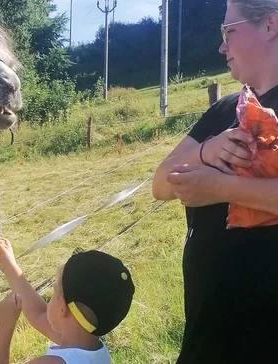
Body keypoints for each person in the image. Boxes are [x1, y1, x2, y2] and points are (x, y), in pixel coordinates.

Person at [151, 1, 278, 362]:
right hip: (207, 336)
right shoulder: (224, 110)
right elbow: (160, 184)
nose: (221, 46)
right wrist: (208, 150)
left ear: (270, 25)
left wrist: (220, 188)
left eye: (229, 31)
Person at [0, 237, 134, 364]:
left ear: (63, 308)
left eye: (54, 291)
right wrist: (9, 267)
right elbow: (38, 314)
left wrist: (5, 325)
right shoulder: (92, 349)